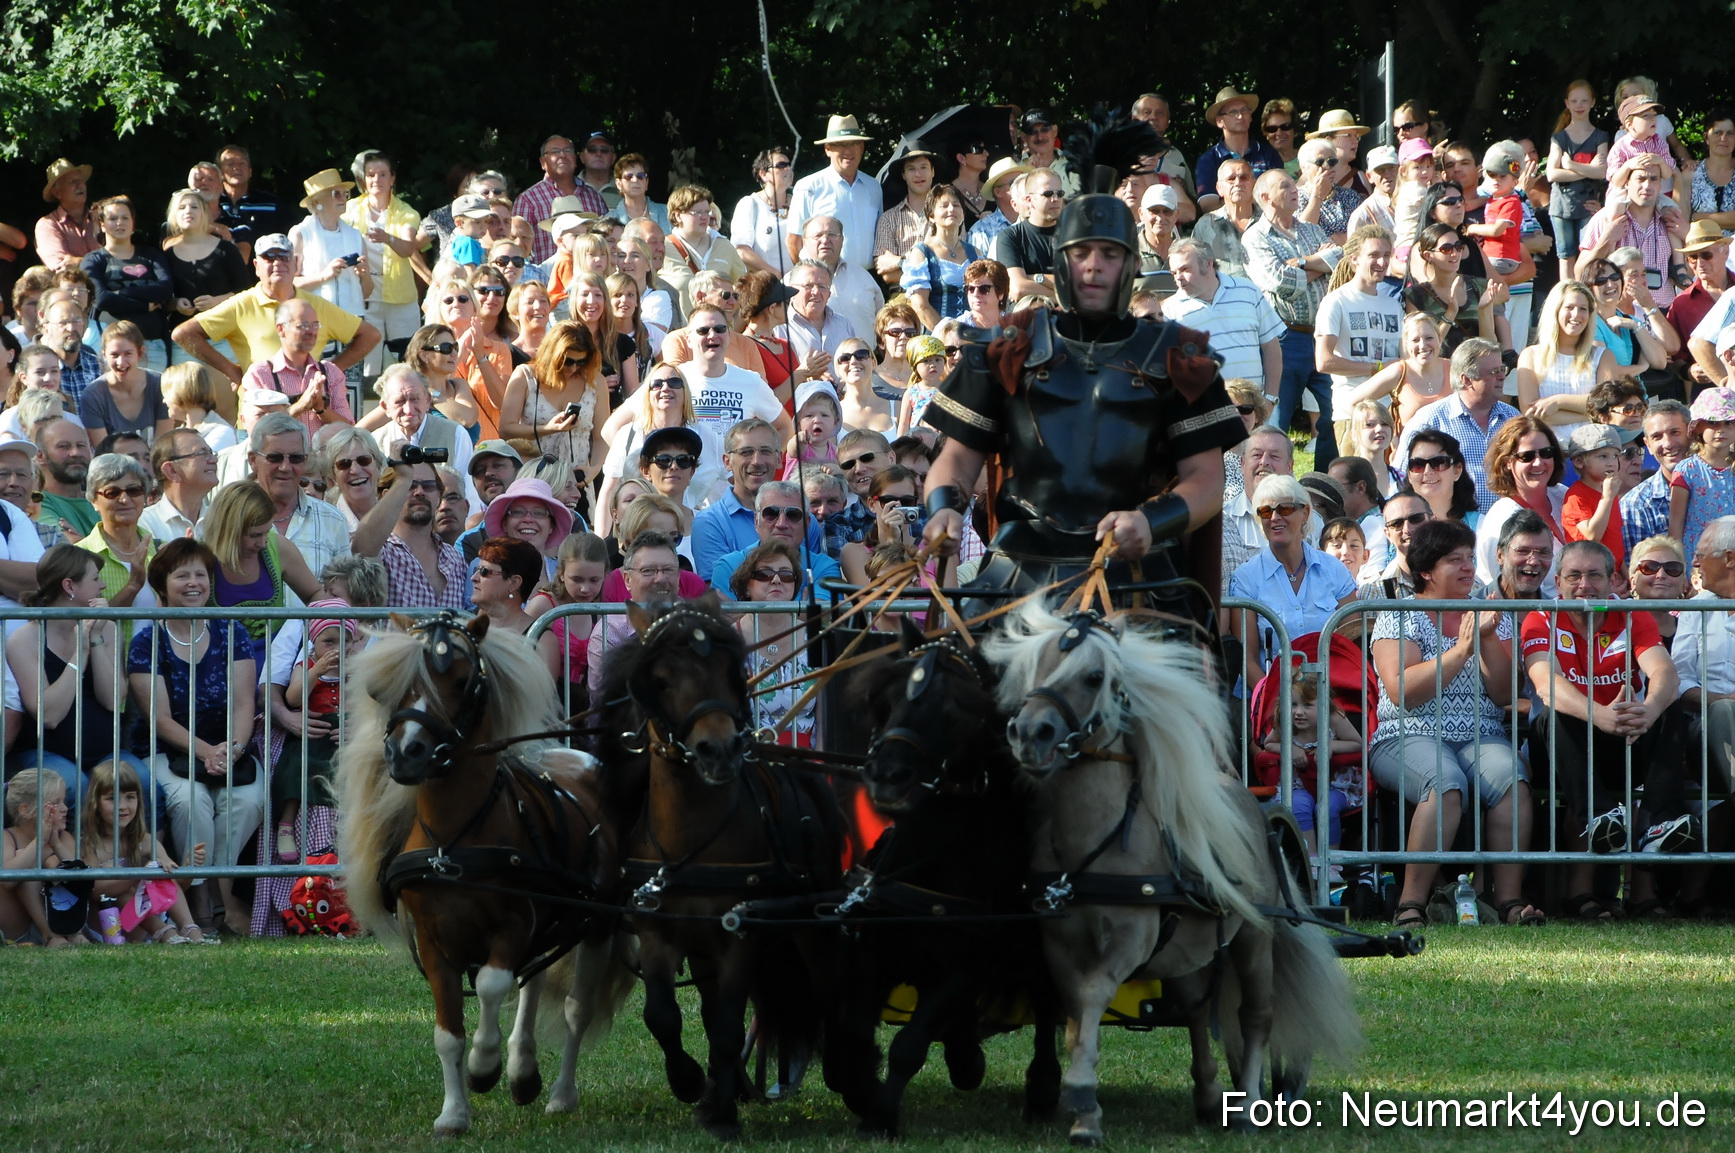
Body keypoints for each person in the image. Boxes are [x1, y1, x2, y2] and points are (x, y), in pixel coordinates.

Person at [1369, 518, 1540, 928]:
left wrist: (1483, 642)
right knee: (1445, 783)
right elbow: (1403, 692)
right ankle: (1410, 903)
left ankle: (1510, 902)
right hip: (1408, 734)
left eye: (1468, 558)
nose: (1467, 567)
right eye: (1453, 560)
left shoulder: (1486, 615)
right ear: (1426, 570)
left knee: (1512, 781)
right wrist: (1462, 650)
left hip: (1480, 733)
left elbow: (1502, 695)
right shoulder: (1400, 615)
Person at [1522, 540, 1688, 920]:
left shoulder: (1631, 613)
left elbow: (1665, 672)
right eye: (1574, 576)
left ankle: (1658, 824)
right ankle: (1596, 825)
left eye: (1594, 575)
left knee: (1670, 710)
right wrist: (1600, 715)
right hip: (1564, 745)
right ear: (1559, 582)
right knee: (1558, 712)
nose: (1585, 586)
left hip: (1621, 738)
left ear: (1613, 579)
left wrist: (1648, 710)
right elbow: (1546, 683)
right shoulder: (1541, 617)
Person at [127, 537, 260, 935]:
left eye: (200, 574)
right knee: (191, 802)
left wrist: (232, 751)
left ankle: (220, 890)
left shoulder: (230, 630)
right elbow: (160, 719)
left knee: (248, 800)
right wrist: (206, 753)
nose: (193, 583)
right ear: (162, 584)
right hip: (168, 751)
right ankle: (200, 896)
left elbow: (242, 704)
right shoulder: (147, 641)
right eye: (181, 574)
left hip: (228, 746)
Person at [5, 543, 146, 802]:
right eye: (95, 579)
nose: (102, 586)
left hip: (106, 754)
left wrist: (95, 639)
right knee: (72, 786)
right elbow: (49, 716)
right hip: (45, 754)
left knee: (144, 785)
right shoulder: (25, 640)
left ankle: (145, 845)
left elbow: (113, 700)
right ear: (69, 586)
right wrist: (79, 654)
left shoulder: (108, 629)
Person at [171, 233, 380, 390]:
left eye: (284, 257)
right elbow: (183, 333)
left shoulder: (316, 305)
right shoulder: (242, 304)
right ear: (256, 266)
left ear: (295, 263)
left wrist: (330, 372)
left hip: (311, 414)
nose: (278, 262)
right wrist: (233, 371)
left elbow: (370, 335)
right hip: (257, 415)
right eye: (269, 257)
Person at [1228, 472, 1357, 693]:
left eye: (1285, 508)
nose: (1275, 517)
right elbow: (1247, 660)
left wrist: (1326, 702)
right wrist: (1279, 703)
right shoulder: (1245, 578)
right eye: (1266, 511)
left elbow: (1352, 643)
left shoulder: (1334, 570)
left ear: (1305, 513)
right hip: (1270, 704)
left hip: (1331, 697)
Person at [1244, 169, 1340, 446]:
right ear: (1265, 197)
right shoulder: (1256, 238)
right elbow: (1280, 282)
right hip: (1285, 339)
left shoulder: (1312, 229)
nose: (1295, 189)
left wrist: (1299, 262)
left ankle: (1328, 483)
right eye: (1285, 186)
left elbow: (1339, 261)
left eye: (1293, 184)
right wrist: (1318, 264)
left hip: (1324, 336)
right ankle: (1269, 486)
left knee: (1335, 415)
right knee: (1276, 421)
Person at [80, 759, 207, 943]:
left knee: (163, 877)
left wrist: (188, 868)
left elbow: (174, 886)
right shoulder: (89, 845)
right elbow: (93, 891)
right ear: (95, 803)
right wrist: (139, 874)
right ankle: (164, 933)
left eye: (130, 797)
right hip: (108, 928)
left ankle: (190, 928)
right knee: (123, 891)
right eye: (111, 798)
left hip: (144, 926)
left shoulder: (146, 841)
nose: (123, 806)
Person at [202, 480, 322, 665]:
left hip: (275, 665)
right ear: (229, 531)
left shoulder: (278, 547)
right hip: (220, 666)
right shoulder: (201, 558)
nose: (263, 542)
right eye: (255, 535)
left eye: (267, 532)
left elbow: (316, 594)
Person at [1393, 337, 1518, 514]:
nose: (1502, 376)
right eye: (1493, 372)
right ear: (1466, 380)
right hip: (1452, 529)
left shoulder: (1513, 418)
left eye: (1502, 369)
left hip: (1506, 529)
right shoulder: (1430, 420)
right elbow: (1400, 479)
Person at [1161, 237, 1283, 396]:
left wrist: (1271, 398)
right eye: (1174, 272)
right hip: (1206, 409)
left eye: (1185, 269)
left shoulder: (1248, 290)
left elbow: (1271, 347)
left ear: (1207, 264)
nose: (1178, 277)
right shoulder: (1170, 310)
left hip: (1253, 408)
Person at [343, 150, 423, 385]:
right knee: (368, 359)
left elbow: (408, 249)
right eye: (370, 175)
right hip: (364, 294)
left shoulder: (406, 212)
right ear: (363, 180)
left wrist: (387, 238)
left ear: (392, 179)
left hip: (400, 297)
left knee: (407, 357)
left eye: (382, 174)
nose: (376, 180)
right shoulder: (349, 210)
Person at [732, 538, 816, 743]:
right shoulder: (729, 641)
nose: (776, 580)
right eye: (764, 574)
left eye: (787, 575)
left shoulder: (814, 637)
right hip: (749, 757)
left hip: (805, 759)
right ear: (746, 587)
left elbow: (826, 716)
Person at [81, 196, 175, 372]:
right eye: (113, 218)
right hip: (111, 348)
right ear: (102, 224)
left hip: (153, 345)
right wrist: (145, 306)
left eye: (125, 218)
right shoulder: (93, 260)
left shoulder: (152, 255)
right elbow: (102, 299)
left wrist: (122, 293)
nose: (120, 223)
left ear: (133, 223)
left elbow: (165, 289)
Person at [161, 189, 252, 370]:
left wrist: (218, 301)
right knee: (188, 396)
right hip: (184, 342)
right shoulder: (167, 255)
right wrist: (176, 303)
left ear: (205, 213)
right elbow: (162, 299)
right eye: (182, 207)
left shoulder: (226, 250)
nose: (188, 211)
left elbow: (248, 293)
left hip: (226, 339)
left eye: (194, 207)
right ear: (173, 215)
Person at [239, 299, 355, 439]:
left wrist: (321, 408)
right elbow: (260, 430)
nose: (312, 332)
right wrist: (300, 406)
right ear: (281, 329)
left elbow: (348, 429)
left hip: (322, 460)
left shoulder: (330, 372)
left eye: (315, 325)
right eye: (303, 325)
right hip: (284, 459)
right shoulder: (260, 374)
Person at [1515, 279, 1615, 444]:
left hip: (1593, 450)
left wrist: (1557, 401)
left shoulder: (1603, 356)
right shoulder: (1530, 355)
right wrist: (1593, 412)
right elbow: (1531, 413)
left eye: (1583, 309)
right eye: (1569, 307)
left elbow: (1609, 404)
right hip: (1549, 452)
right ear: (1555, 311)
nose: (1576, 315)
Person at [1475, 416, 1567, 593]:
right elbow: (1508, 590)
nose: (1539, 462)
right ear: (1507, 462)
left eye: (1546, 453)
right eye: (1527, 456)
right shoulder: (1501, 518)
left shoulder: (1563, 494)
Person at [711, 480, 840, 596]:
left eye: (793, 514)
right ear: (756, 521)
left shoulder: (825, 567)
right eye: (771, 513)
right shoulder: (728, 567)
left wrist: (746, 614)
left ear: (807, 523)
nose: (781, 524)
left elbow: (823, 619)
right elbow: (724, 621)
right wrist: (802, 611)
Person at [372, 459, 469, 609]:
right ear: (388, 496)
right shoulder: (381, 551)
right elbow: (361, 549)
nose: (420, 492)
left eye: (429, 486)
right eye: (410, 485)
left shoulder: (456, 560)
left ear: (438, 496)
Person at [1, 771, 83, 946]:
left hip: (62, 922)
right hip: (18, 931)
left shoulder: (64, 837)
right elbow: (7, 880)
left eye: (64, 801)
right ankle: (51, 936)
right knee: (25, 866)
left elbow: (82, 878)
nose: (64, 808)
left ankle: (74, 933)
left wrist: (56, 847)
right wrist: (40, 842)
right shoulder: (7, 837)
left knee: (57, 865)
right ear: (25, 810)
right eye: (55, 803)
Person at [525, 530, 608, 694]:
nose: (585, 589)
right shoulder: (542, 606)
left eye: (594, 580)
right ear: (561, 574)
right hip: (545, 704)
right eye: (576, 579)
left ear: (605, 574)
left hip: (580, 709)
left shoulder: (597, 612)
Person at [1547, 80, 1612, 285]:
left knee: (1589, 252)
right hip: (1561, 205)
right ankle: (1565, 295)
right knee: (1565, 254)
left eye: (1584, 100)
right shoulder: (1559, 137)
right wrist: (1586, 170)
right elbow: (1552, 174)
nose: (1579, 105)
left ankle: (1586, 293)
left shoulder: (1600, 136)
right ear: (1567, 103)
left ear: (1593, 102)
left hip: (1588, 205)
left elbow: (1602, 171)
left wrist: (1569, 164)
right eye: (1574, 101)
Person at [1668, 386, 1735, 561]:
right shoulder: (1687, 469)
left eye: (1729, 423)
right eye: (1713, 423)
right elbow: (1676, 523)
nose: (1721, 429)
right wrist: (1678, 563)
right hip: (1698, 557)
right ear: (1698, 427)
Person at [659, 185, 748, 316]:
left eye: (706, 212)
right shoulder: (663, 248)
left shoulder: (724, 246)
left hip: (720, 332)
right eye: (698, 212)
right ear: (678, 215)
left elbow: (744, 289)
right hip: (681, 332)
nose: (705, 217)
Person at [79, 322, 171, 448]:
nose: (121, 362)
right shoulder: (92, 396)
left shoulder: (160, 385)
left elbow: (163, 446)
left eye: (128, 354)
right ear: (104, 354)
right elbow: (104, 452)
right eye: (114, 355)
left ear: (140, 352)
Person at [515, 136, 606, 265]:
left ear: (575, 158)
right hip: (545, 278)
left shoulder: (594, 198)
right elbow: (518, 246)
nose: (562, 155)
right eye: (555, 151)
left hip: (591, 277)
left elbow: (606, 239)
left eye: (568, 151)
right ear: (542, 162)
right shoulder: (528, 200)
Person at [1195, 87, 1284, 211]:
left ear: (1250, 117)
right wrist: (1256, 199)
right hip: (1225, 228)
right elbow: (1209, 206)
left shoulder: (1268, 153)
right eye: (1233, 112)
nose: (1240, 116)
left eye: (1244, 110)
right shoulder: (1208, 160)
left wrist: (1235, 200)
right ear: (1219, 121)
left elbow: (1280, 195)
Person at [1620, 399, 1693, 552]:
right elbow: (1637, 571)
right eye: (1657, 437)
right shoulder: (1635, 504)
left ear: (1691, 434)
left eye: (1675, 432)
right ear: (1648, 445)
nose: (1667, 443)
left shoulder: (1724, 485)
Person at [901, 186, 978, 329]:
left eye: (956, 205)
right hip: (936, 338)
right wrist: (948, 337)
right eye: (944, 206)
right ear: (931, 216)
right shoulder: (922, 252)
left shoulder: (975, 253)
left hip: (972, 337)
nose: (951, 209)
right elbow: (920, 305)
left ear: (963, 214)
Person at [992, 168, 1064, 307]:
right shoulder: (1010, 236)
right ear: (1029, 200)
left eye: (1059, 193)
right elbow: (1018, 288)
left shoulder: (1072, 234)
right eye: (1048, 194)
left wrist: (1036, 278)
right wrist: (1064, 298)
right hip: (1027, 321)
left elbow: (1076, 285)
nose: (1055, 199)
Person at [1561, 424, 1627, 565]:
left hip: (1612, 574)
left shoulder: (1609, 492)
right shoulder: (1576, 496)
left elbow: (1614, 539)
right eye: (1603, 456)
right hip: (1589, 572)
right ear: (1579, 461)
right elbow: (1592, 535)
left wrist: (1622, 572)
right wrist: (1607, 498)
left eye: (1615, 456)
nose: (1611, 463)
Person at [873, 148, 938, 287]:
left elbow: (955, 263)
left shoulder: (948, 213)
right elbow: (887, 275)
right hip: (902, 297)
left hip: (941, 294)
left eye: (923, 167)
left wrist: (899, 262)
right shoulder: (888, 219)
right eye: (911, 169)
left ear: (933, 171)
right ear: (903, 175)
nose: (918, 174)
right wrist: (934, 268)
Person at [139, 427, 219, 541]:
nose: (214, 459)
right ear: (171, 470)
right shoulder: (145, 524)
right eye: (202, 453)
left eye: (211, 453)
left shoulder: (222, 520)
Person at [731, 147, 795, 276]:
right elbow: (741, 250)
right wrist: (776, 276)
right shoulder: (750, 204)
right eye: (781, 165)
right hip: (766, 287)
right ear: (763, 174)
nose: (788, 169)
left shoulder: (800, 201)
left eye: (789, 165)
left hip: (802, 286)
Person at [1190, 159, 1258, 280]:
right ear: (1219, 188)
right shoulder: (1206, 225)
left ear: (1254, 183)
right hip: (1224, 295)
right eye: (1231, 179)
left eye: (1244, 177)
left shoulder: (1269, 220)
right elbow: (1195, 267)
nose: (1238, 183)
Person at [35, 158, 100, 269]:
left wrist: (76, 261)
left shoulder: (100, 218)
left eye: (81, 180)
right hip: (73, 285)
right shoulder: (48, 224)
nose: (80, 185)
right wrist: (103, 262)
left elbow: (119, 256)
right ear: (57, 192)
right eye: (73, 181)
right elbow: (60, 266)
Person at [162, 362, 239, 452]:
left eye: (166, 394)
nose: (163, 401)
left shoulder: (221, 432)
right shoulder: (177, 434)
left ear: (182, 392)